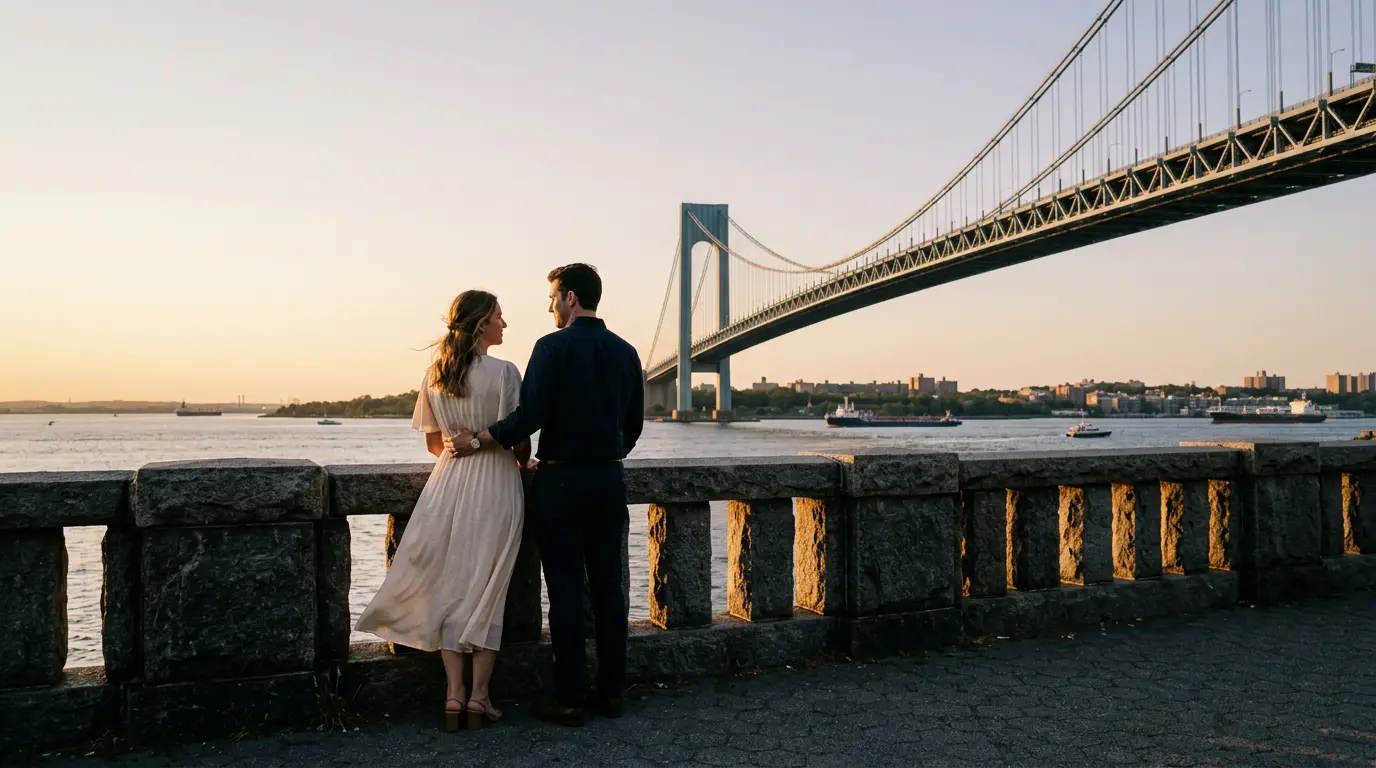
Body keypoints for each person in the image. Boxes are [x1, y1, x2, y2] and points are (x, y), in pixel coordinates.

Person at [448, 263, 644, 727]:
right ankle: (612, 693)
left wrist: (478, 438)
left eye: (554, 297)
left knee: (565, 593)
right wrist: (608, 453)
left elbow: (528, 417)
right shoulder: (627, 351)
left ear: (571, 298)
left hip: (561, 481)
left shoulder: (551, 348)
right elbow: (632, 425)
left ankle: (569, 698)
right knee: (609, 589)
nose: (551, 306)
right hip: (609, 479)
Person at [355, 290, 531, 732]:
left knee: (451, 587)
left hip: (447, 485)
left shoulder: (435, 373)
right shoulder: (506, 372)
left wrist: (459, 447)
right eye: (498, 316)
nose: (504, 324)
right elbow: (519, 439)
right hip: (495, 485)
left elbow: (435, 445)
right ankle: (479, 698)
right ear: (479, 324)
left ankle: (453, 696)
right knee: (489, 588)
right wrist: (521, 459)